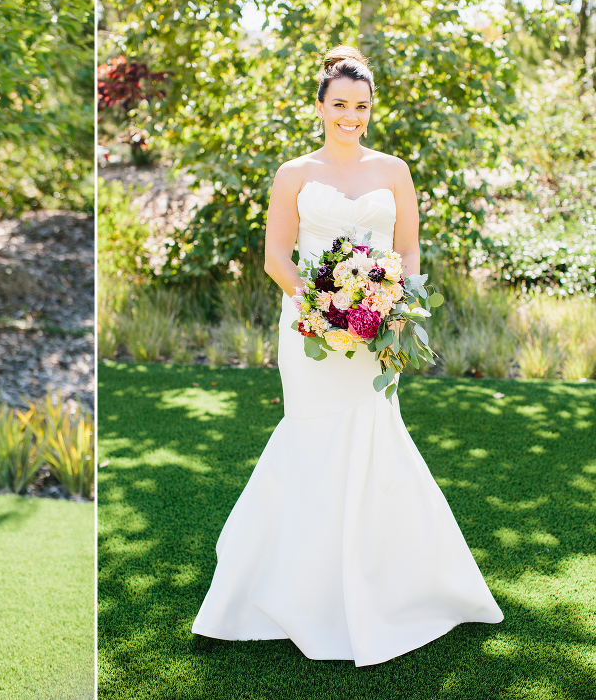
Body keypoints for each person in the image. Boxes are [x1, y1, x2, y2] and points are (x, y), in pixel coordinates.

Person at [191, 45, 503, 666]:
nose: (351, 117)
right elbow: (276, 258)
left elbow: (408, 254)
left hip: (377, 332)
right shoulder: (293, 174)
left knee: (374, 439)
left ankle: (388, 589)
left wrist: (388, 307)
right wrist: (326, 307)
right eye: (340, 105)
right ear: (319, 106)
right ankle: (291, 594)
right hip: (309, 328)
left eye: (360, 106)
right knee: (310, 440)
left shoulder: (394, 171)